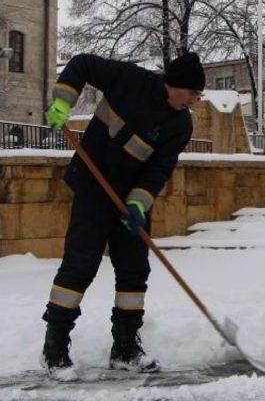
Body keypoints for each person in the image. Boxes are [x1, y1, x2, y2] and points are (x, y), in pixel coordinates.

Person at [41, 52, 204, 381]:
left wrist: (139, 203)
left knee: (133, 271)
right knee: (80, 265)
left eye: (198, 96)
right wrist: (63, 101)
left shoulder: (180, 124)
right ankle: (55, 347)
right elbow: (82, 64)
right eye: (191, 93)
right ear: (173, 85)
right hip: (92, 185)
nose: (194, 101)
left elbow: (159, 169)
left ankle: (125, 348)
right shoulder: (130, 79)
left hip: (129, 201)